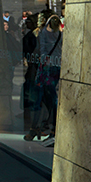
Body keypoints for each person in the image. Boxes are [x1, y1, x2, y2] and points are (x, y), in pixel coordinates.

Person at [26, 14, 62, 143]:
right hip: (54, 68)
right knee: (50, 99)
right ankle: (49, 128)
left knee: (41, 98)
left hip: (45, 69)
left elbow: (41, 51)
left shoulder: (43, 34)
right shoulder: (60, 34)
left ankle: (36, 128)